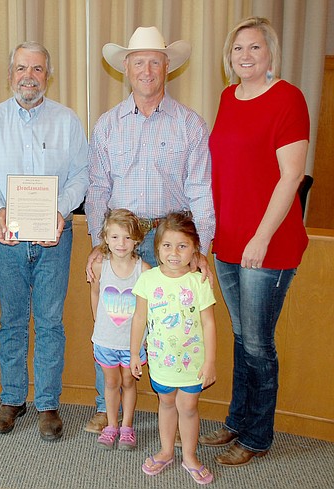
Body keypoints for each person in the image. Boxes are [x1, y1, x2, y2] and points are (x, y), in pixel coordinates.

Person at [83, 26, 215, 433]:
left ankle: (171, 418)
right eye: (138, 61)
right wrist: (98, 245)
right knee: (112, 321)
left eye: (154, 61)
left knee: (169, 329)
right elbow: (98, 188)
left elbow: (200, 191)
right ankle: (108, 409)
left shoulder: (190, 124)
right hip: (121, 244)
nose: (146, 69)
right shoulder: (107, 125)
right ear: (126, 67)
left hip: (170, 245)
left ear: (167, 67)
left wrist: (200, 251)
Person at [0, 41, 89, 441]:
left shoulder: (68, 122)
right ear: (10, 74)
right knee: (12, 321)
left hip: (55, 235)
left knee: (51, 321)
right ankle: (13, 398)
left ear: (48, 76)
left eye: (37, 69)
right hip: (7, 238)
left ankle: (48, 403)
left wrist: (61, 210)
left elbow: (81, 176)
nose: (29, 76)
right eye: (21, 68)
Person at [199, 17, 310, 467]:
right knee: (243, 338)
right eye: (238, 49)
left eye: (255, 48)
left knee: (259, 344)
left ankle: (258, 436)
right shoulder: (229, 97)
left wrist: (261, 238)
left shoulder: (288, 98)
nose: (245, 56)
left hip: (267, 246)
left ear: (270, 54)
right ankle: (237, 420)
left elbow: (291, 177)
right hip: (228, 243)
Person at [130, 212, 216, 485]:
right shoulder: (148, 279)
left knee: (188, 406)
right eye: (167, 246)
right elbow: (139, 318)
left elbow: (209, 324)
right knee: (166, 402)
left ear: (194, 250)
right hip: (160, 360)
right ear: (157, 249)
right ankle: (167, 450)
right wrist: (134, 353)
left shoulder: (199, 281)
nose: (174, 253)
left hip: (193, 362)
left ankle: (189, 456)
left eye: (182, 246)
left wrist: (211, 362)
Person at [90, 209, 150, 450]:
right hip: (106, 340)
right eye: (114, 237)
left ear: (136, 239)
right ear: (105, 238)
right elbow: (95, 294)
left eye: (126, 237)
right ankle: (111, 425)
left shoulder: (143, 270)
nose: (121, 243)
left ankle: (127, 426)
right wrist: (98, 325)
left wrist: (144, 340)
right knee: (111, 382)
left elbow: (146, 308)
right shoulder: (98, 266)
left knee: (128, 382)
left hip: (131, 343)